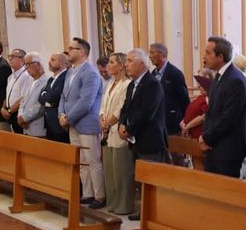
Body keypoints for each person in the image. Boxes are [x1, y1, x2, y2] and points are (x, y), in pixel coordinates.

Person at [119, 48, 168, 219]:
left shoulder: (152, 84)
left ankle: (155, 213)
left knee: (152, 178)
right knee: (140, 177)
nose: (126, 65)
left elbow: (147, 112)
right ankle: (145, 211)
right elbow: (125, 108)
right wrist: (121, 124)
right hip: (136, 139)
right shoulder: (132, 84)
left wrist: (129, 129)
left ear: (141, 64)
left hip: (150, 139)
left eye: (130, 61)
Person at [60, 36, 106, 207]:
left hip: (86, 123)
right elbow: (63, 97)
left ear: (82, 52)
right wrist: (61, 114)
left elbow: (86, 101)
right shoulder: (70, 71)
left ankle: (99, 196)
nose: (68, 52)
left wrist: (68, 118)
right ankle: (87, 193)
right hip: (72, 123)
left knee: (92, 161)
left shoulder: (91, 73)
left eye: (71, 49)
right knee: (81, 161)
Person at [200, 35, 246, 178]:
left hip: (228, 150)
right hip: (215, 147)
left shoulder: (235, 80)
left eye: (208, 52)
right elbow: (212, 112)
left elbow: (228, 118)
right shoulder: (219, 77)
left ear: (220, 57)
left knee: (225, 191)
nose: (204, 56)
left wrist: (207, 138)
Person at [100, 53, 136, 216]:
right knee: (110, 171)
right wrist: (102, 119)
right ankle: (112, 203)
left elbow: (121, 108)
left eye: (112, 62)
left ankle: (123, 205)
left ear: (121, 66)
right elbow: (103, 105)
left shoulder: (126, 84)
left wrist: (108, 123)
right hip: (107, 131)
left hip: (117, 130)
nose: (108, 65)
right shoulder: (110, 83)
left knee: (121, 171)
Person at [149, 42, 189, 139]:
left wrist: (186, 120)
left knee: (173, 148)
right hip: (156, 123)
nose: (149, 56)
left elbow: (184, 99)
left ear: (161, 54)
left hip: (172, 123)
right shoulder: (153, 73)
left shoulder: (175, 73)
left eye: (152, 53)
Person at [38, 52, 71, 142]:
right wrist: (46, 95)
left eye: (53, 60)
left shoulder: (65, 77)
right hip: (49, 120)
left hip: (59, 121)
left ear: (62, 63)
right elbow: (40, 98)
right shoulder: (51, 79)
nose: (49, 62)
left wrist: (45, 94)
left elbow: (53, 97)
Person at [17, 53, 52, 137]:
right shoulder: (29, 81)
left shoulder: (47, 81)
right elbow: (22, 102)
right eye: (25, 64)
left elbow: (40, 106)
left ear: (38, 64)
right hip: (25, 127)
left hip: (38, 127)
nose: (26, 67)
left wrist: (24, 118)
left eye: (29, 64)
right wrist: (20, 116)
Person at [0, 47, 30, 131]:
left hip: (18, 112)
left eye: (13, 56)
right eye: (9, 56)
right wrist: (3, 108)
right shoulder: (10, 77)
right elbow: (8, 94)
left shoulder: (26, 76)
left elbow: (23, 97)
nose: (10, 59)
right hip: (9, 112)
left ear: (23, 59)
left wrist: (10, 111)